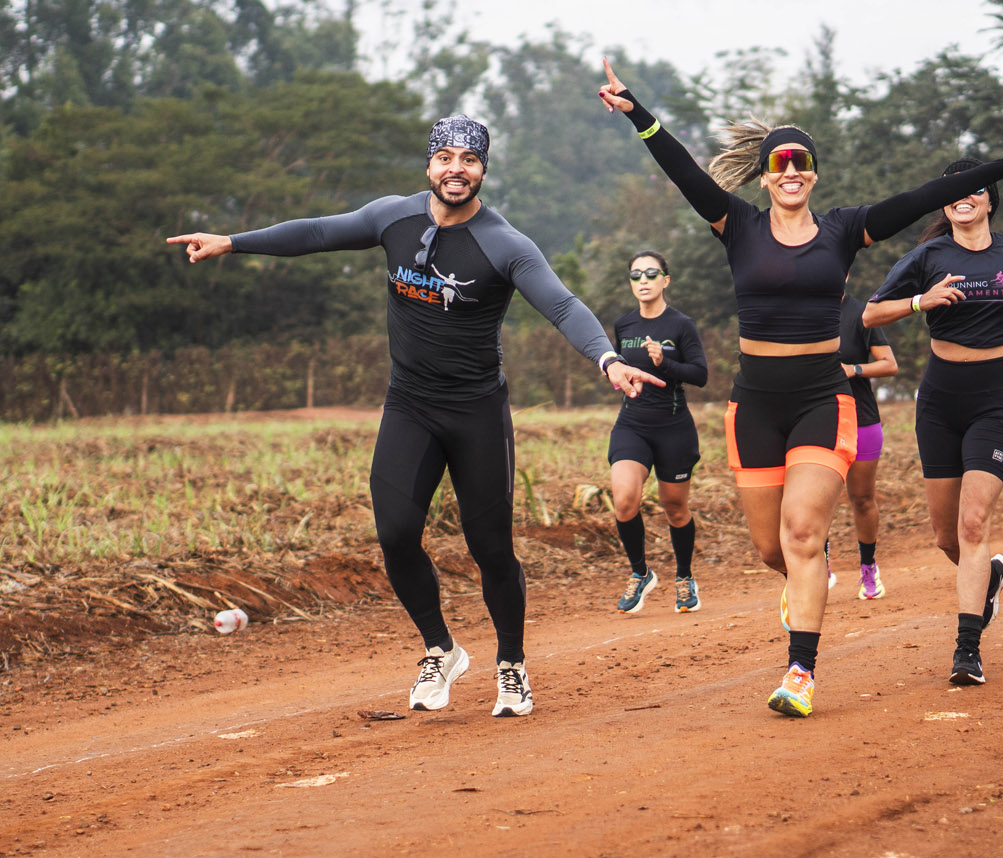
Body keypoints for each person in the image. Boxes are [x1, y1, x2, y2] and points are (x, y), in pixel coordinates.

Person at [166, 115, 661, 717]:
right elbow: (318, 232)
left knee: (490, 548)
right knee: (396, 535)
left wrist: (608, 358)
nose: (457, 169)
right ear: (429, 166)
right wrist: (232, 241)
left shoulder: (505, 244)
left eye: (469, 159)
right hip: (410, 404)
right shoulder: (392, 218)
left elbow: (562, 305)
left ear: (483, 170)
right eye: (445, 157)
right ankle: (441, 649)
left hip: (477, 412)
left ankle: (511, 665)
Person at [599, 58, 1003, 716]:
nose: (790, 171)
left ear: (812, 173)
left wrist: (1001, 165)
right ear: (765, 174)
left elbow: (922, 197)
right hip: (755, 405)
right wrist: (637, 112)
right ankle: (807, 574)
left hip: (820, 399)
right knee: (771, 548)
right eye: (779, 163)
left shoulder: (842, 229)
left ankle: (801, 672)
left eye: (801, 162)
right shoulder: (737, 224)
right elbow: (682, 170)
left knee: (803, 533)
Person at [864, 158, 1003, 687]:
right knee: (946, 537)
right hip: (940, 402)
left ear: (989, 200)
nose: (964, 197)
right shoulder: (927, 256)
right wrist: (922, 301)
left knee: (973, 524)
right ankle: (992, 574)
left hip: (998, 400)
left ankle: (967, 650)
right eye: (954, 190)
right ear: (945, 203)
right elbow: (870, 313)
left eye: (975, 189)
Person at [609, 250, 709, 614]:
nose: (643, 280)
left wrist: (664, 362)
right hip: (632, 425)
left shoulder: (681, 325)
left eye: (651, 273)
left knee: (675, 508)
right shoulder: (624, 325)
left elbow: (700, 374)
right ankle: (641, 572)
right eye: (636, 275)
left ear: (665, 280)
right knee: (624, 500)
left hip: (673, 428)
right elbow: (617, 368)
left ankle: (684, 577)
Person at [835, 290, 898, 599]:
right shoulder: (802, 312)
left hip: (861, 418)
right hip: (815, 421)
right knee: (816, 501)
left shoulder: (862, 314)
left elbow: (889, 364)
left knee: (861, 498)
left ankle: (868, 566)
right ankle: (817, 567)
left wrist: (854, 369)